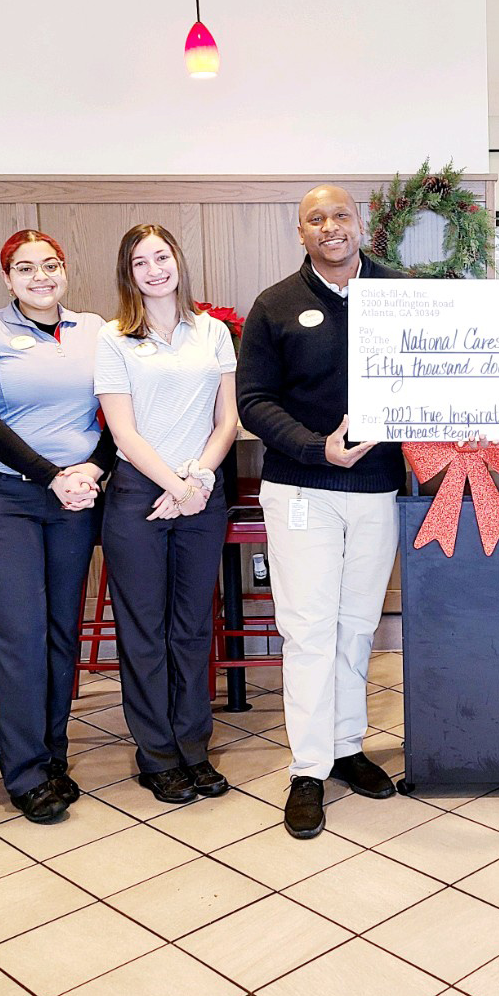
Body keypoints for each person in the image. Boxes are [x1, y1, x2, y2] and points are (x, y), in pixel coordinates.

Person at [237, 183, 407, 839]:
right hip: (301, 489)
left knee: (357, 626)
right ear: (301, 232)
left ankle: (346, 746)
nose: (330, 227)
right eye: (316, 219)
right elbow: (253, 401)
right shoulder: (275, 304)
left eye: (340, 215)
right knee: (309, 630)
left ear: (359, 223)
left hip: (377, 489)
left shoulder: (400, 294)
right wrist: (316, 448)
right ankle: (308, 768)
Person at [0, 230, 112, 824]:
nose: (40, 276)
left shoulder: (96, 330)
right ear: (8, 278)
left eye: (50, 265)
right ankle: (25, 772)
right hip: (3, 497)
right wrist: (51, 475)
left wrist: (94, 469)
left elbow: (120, 412)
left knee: (61, 629)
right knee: (20, 633)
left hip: (76, 495)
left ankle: (52, 756)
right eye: (25, 267)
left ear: (65, 269)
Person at [95, 223, 238, 806]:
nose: (154, 270)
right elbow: (123, 432)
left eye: (162, 257)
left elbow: (227, 419)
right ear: (127, 273)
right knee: (144, 631)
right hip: (140, 495)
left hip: (202, 494)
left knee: (193, 626)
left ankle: (193, 746)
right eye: (140, 262)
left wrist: (197, 482)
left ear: (178, 261)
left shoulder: (213, 332)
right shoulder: (113, 338)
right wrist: (176, 485)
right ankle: (156, 754)